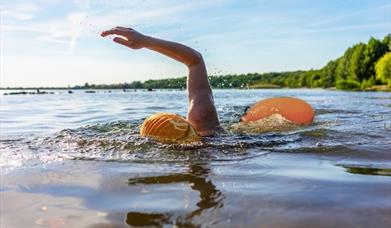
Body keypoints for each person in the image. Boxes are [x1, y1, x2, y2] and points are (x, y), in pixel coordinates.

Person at [101, 27, 314, 143]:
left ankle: (246, 119)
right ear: (183, 123)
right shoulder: (205, 126)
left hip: (231, 136)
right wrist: (145, 41)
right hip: (238, 138)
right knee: (261, 127)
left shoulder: (203, 123)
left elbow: (195, 61)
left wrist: (146, 41)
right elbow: (195, 60)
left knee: (251, 127)